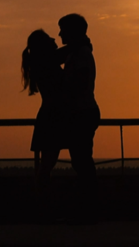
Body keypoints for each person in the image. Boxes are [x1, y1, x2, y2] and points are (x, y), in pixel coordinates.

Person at [56, 13, 100, 209]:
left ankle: (88, 208)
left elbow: (80, 84)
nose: (60, 34)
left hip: (82, 112)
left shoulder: (80, 53)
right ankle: (87, 207)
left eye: (63, 30)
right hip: (84, 111)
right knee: (81, 161)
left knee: (82, 162)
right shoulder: (78, 51)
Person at [21, 29, 67, 192]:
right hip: (52, 117)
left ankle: (42, 198)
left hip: (49, 116)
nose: (54, 39)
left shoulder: (43, 63)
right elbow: (66, 52)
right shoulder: (46, 62)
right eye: (49, 38)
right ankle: (42, 199)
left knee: (47, 163)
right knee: (47, 164)